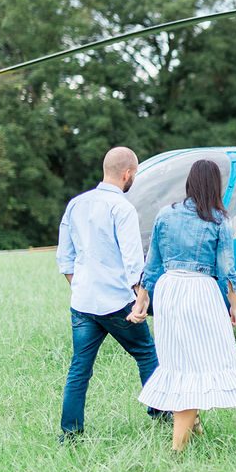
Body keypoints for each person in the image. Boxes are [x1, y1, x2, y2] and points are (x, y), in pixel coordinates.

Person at [137, 159, 236, 452]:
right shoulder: (218, 220)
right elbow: (226, 269)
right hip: (200, 291)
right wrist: (235, 306)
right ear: (214, 185)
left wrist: (142, 301)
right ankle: (177, 449)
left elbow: (153, 263)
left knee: (180, 362)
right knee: (202, 363)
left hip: (169, 291)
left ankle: (193, 425)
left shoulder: (165, 215)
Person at [56, 146, 165, 441]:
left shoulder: (76, 204)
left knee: (79, 369)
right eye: (135, 174)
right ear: (128, 173)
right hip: (118, 302)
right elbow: (133, 263)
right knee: (146, 354)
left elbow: (65, 259)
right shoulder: (122, 208)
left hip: (82, 303)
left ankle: (70, 433)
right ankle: (161, 414)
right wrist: (140, 300)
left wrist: (81, 288)